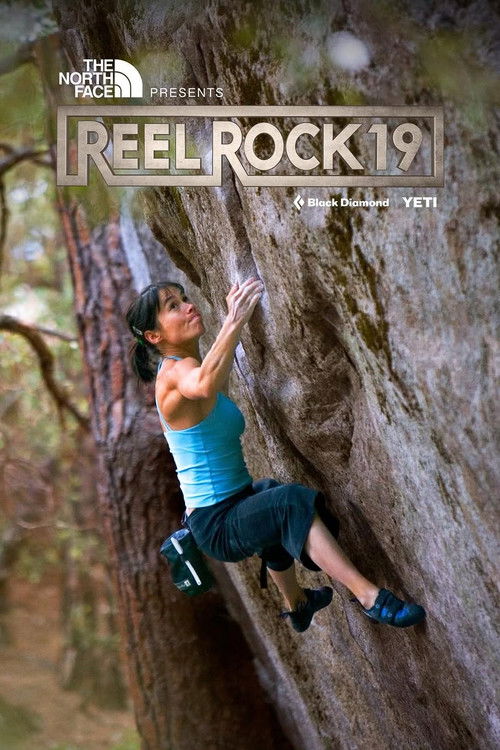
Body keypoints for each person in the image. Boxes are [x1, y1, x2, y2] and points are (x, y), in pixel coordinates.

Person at [126, 277, 426, 632]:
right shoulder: (174, 375)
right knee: (289, 503)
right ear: (154, 336)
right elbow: (204, 384)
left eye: (184, 298)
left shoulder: (192, 366)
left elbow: (213, 377)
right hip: (216, 523)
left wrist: (238, 323)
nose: (189, 306)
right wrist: (234, 318)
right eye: (173, 306)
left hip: (232, 503)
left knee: (269, 495)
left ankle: (297, 604)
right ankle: (371, 599)